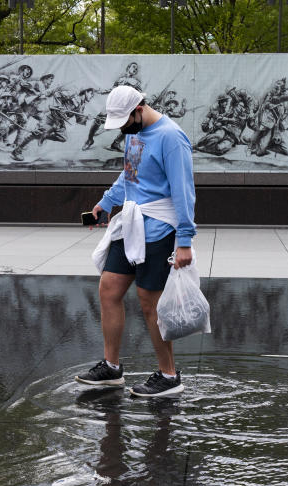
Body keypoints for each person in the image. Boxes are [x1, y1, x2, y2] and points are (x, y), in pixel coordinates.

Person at [75, 85, 197, 398]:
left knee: (150, 304)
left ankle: (169, 375)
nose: (123, 129)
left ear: (139, 109)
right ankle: (111, 368)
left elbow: (184, 191)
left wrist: (184, 240)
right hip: (130, 223)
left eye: (124, 122)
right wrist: (106, 202)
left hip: (159, 228)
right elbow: (129, 173)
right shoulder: (134, 132)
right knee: (109, 289)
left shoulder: (171, 137)